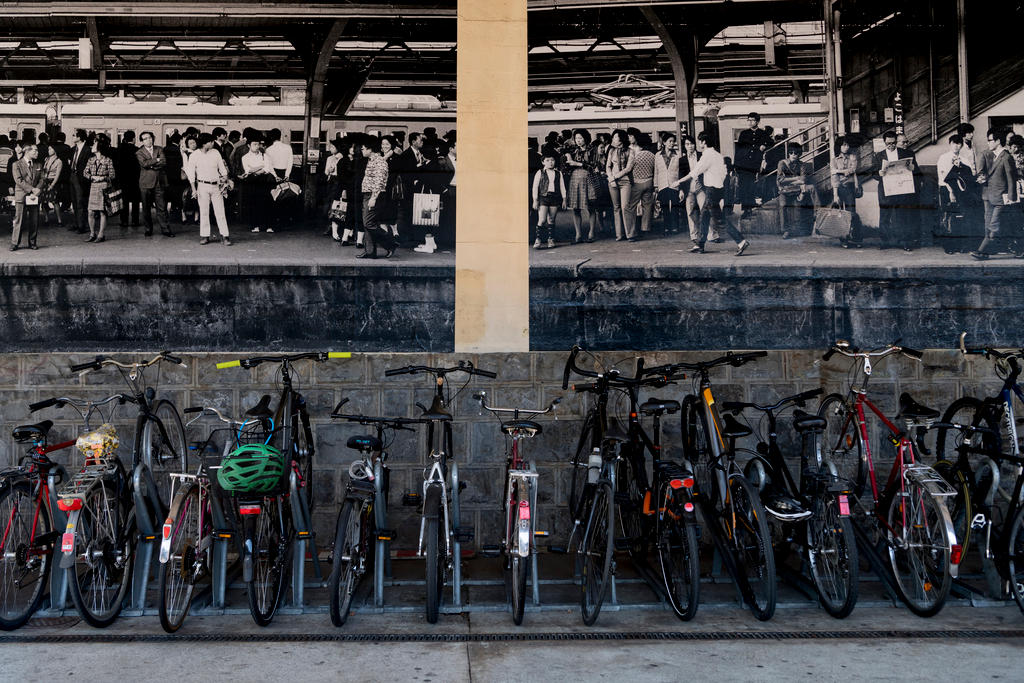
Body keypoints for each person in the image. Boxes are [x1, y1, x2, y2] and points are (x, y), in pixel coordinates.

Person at [674, 132, 750, 256]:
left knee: (719, 220)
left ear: (704, 142)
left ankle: (741, 241)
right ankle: (700, 244)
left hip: (711, 190)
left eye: (699, 141)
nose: (698, 144)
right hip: (717, 189)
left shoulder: (707, 156)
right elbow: (724, 173)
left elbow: (695, 172)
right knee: (704, 217)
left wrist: (678, 181)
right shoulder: (718, 155)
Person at [971, 127, 1021, 259]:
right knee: (988, 224)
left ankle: (981, 250)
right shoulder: (992, 156)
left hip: (1001, 198)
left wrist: (1011, 197)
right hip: (989, 196)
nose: (988, 143)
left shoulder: (1006, 157)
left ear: (998, 141)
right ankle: (986, 252)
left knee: (994, 225)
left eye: (990, 140)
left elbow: (1011, 178)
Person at [871, 129, 920, 251]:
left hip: (902, 188)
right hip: (885, 189)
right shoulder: (878, 156)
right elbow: (873, 174)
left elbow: (917, 171)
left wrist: (913, 168)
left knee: (902, 215)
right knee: (885, 215)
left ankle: (904, 241)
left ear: (896, 141)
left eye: (893, 143)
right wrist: (879, 173)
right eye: (888, 143)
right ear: (884, 143)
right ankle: (885, 241)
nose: (891, 146)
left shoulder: (906, 153)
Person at [184, 132, 231, 246]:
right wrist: (194, 189)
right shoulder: (195, 155)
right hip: (202, 186)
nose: (213, 143)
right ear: (205, 143)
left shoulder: (216, 153)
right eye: (211, 141)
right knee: (204, 212)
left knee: (220, 212)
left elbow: (222, 168)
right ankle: (205, 236)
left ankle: (225, 236)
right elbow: (191, 174)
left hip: (216, 186)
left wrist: (225, 179)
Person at [357, 137, 398, 259]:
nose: (362, 151)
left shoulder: (379, 161)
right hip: (368, 194)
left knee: (369, 223)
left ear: (370, 149)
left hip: (374, 195)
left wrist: (374, 197)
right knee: (368, 223)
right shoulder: (371, 160)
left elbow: (379, 181)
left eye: (363, 149)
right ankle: (370, 251)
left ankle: (390, 243)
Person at [136, 131, 172, 238]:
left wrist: (152, 164)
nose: (148, 140)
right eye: (145, 139)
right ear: (142, 141)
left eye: (150, 137)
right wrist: (156, 160)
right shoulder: (139, 152)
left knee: (162, 208)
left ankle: (166, 229)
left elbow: (164, 162)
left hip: (159, 182)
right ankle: (148, 229)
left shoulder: (159, 149)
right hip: (145, 183)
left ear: (153, 138)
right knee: (146, 208)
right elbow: (144, 164)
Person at [735, 112, 772, 218]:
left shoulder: (763, 133)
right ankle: (746, 210)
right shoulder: (743, 134)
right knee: (743, 187)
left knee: (750, 186)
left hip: (753, 164)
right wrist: (736, 165)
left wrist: (764, 145)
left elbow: (771, 143)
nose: (750, 122)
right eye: (749, 120)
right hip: (743, 164)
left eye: (752, 120)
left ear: (757, 121)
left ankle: (749, 209)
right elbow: (738, 150)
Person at [10, 143, 45, 251]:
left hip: (34, 195)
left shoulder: (38, 165)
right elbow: (18, 180)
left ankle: (32, 242)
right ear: (27, 151)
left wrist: (38, 188)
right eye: (35, 150)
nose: (37, 152)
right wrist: (32, 189)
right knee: (19, 219)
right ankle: (15, 243)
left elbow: (42, 179)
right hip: (22, 195)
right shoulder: (16, 164)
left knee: (34, 220)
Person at [564, 128, 597, 243]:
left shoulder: (592, 149)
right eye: (576, 138)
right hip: (574, 179)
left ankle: (591, 232)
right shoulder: (573, 150)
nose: (578, 140)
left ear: (585, 138)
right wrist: (568, 159)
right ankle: (578, 234)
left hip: (588, 178)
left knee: (591, 207)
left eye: (580, 138)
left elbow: (593, 165)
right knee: (575, 208)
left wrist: (576, 163)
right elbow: (567, 166)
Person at [83, 134, 116, 243]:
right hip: (93, 187)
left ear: (99, 146)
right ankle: (92, 233)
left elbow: (112, 175)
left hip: (104, 187)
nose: (92, 145)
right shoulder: (90, 159)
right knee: (90, 211)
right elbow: (85, 172)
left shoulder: (108, 160)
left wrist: (101, 178)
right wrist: (92, 177)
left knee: (102, 211)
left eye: (94, 143)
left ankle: (101, 234)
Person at [830, 136, 862, 246]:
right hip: (839, 188)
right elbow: (834, 178)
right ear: (839, 146)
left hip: (850, 187)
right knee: (841, 214)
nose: (846, 147)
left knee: (851, 213)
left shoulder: (852, 157)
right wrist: (835, 195)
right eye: (844, 145)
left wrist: (838, 171)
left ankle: (855, 238)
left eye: (847, 145)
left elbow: (852, 170)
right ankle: (844, 239)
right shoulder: (834, 160)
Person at [240, 133, 273, 235]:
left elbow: (267, 168)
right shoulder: (245, 157)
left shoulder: (265, 155)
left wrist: (256, 170)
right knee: (253, 203)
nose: (257, 146)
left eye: (258, 144)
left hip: (263, 181)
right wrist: (261, 167)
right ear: (249, 145)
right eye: (254, 144)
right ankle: (255, 225)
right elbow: (248, 169)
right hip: (251, 182)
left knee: (266, 203)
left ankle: (268, 226)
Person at [605, 129, 635, 241]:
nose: (613, 139)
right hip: (612, 181)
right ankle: (619, 234)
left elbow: (628, 168)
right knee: (616, 208)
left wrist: (614, 177)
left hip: (625, 181)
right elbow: (608, 166)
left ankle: (630, 234)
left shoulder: (630, 151)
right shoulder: (611, 151)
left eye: (615, 137)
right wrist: (610, 178)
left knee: (625, 207)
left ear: (621, 139)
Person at [776, 143, 811, 239]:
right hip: (784, 191)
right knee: (783, 206)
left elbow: (803, 179)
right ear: (788, 154)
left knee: (798, 208)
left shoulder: (802, 165)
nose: (793, 155)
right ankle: (785, 230)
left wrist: (788, 180)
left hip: (796, 191)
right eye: (791, 152)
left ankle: (796, 229)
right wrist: (796, 178)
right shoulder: (782, 163)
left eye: (796, 153)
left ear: (799, 154)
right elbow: (780, 180)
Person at [532, 153, 566, 249]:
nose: (550, 162)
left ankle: (551, 239)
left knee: (551, 220)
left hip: (554, 197)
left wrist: (564, 199)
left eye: (552, 160)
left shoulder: (558, 173)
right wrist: (535, 200)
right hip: (543, 197)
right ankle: (538, 239)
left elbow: (562, 187)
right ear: (543, 162)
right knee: (542, 220)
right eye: (547, 160)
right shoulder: (540, 172)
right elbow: (535, 187)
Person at [627, 131, 656, 239]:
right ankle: (645, 228)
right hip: (649, 182)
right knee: (647, 206)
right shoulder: (652, 155)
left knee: (631, 207)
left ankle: (633, 230)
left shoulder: (635, 155)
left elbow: (629, 169)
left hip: (636, 183)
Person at [264, 128, 294, 232]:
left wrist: (275, 175)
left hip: (273, 175)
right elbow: (290, 162)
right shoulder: (288, 147)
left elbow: (269, 165)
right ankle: (283, 222)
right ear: (280, 136)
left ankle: (271, 225)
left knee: (273, 199)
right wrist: (287, 175)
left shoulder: (268, 149)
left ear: (271, 138)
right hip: (285, 173)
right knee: (285, 196)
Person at [654, 132, 681, 235]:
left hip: (674, 183)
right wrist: (656, 185)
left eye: (673, 141)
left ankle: (675, 227)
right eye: (669, 141)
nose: (672, 143)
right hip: (662, 183)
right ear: (664, 142)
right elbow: (656, 171)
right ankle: (666, 227)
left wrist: (680, 184)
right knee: (664, 206)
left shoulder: (677, 155)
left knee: (675, 205)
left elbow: (680, 171)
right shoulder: (658, 155)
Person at [69, 129, 92, 234]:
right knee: (74, 201)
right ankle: (76, 223)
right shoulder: (73, 149)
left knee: (80, 202)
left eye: (74, 135)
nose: (73, 137)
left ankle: (82, 226)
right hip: (73, 176)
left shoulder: (88, 150)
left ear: (79, 137)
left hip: (81, 179)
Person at [117, 130, 141, 227]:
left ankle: (124, 221)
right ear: (134, 139)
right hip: (135, 179)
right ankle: (135, 221)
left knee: (124, 200)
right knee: (135, 201)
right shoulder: (137, 150)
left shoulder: (119, 149)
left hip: (123, 179)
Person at [436, 135, 456, 250]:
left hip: (458, 189)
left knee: (456, 216)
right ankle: (446, 240)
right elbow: (438, 178)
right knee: (447, 215)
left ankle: (453, 239)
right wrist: (444, 189)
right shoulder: (443, 161)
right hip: (449, 190)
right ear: (451, 149)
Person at [39, 144, 63, 227]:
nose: (48, 151)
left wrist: (52, 185)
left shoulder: (58, 161)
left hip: (53, 182)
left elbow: (57, 175)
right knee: (44, 201)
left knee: (55, 201)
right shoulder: (46, 159)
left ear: (55, 150)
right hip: (45, 181)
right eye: (48, 149)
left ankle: (59, 220)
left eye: (50, 149)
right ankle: (46, 219)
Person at [180, 135, 200, 224]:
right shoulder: (186, 154)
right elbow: (186, 166)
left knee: (197, 198)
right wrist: (191, 176)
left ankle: (196, 217)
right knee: (186, 197)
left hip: (198, 177)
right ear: (187, 145)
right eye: (190, 143)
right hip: (189, 178)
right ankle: (184, 216)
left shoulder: (199, 152)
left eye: (194, 142)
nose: (193, 145)